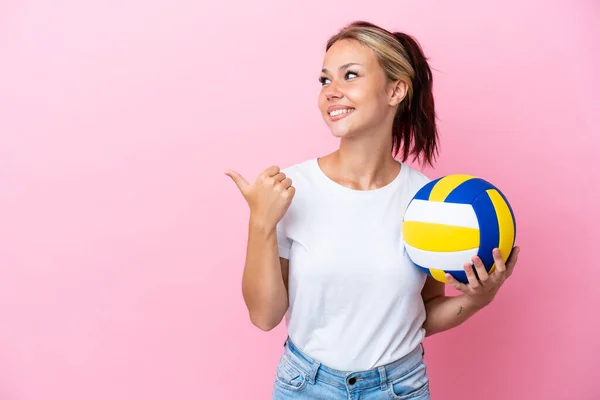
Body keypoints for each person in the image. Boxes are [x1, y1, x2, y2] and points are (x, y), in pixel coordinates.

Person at [225, 20, 520, 400]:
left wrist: (478, 298)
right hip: (304, 386)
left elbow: (424, 315)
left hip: (399, 388)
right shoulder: (288, 189)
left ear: (396, 90)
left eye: (350, 76)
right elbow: (264, 318)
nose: (332, 92)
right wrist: (261, 222)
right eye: (324, 80)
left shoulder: (427, 203)